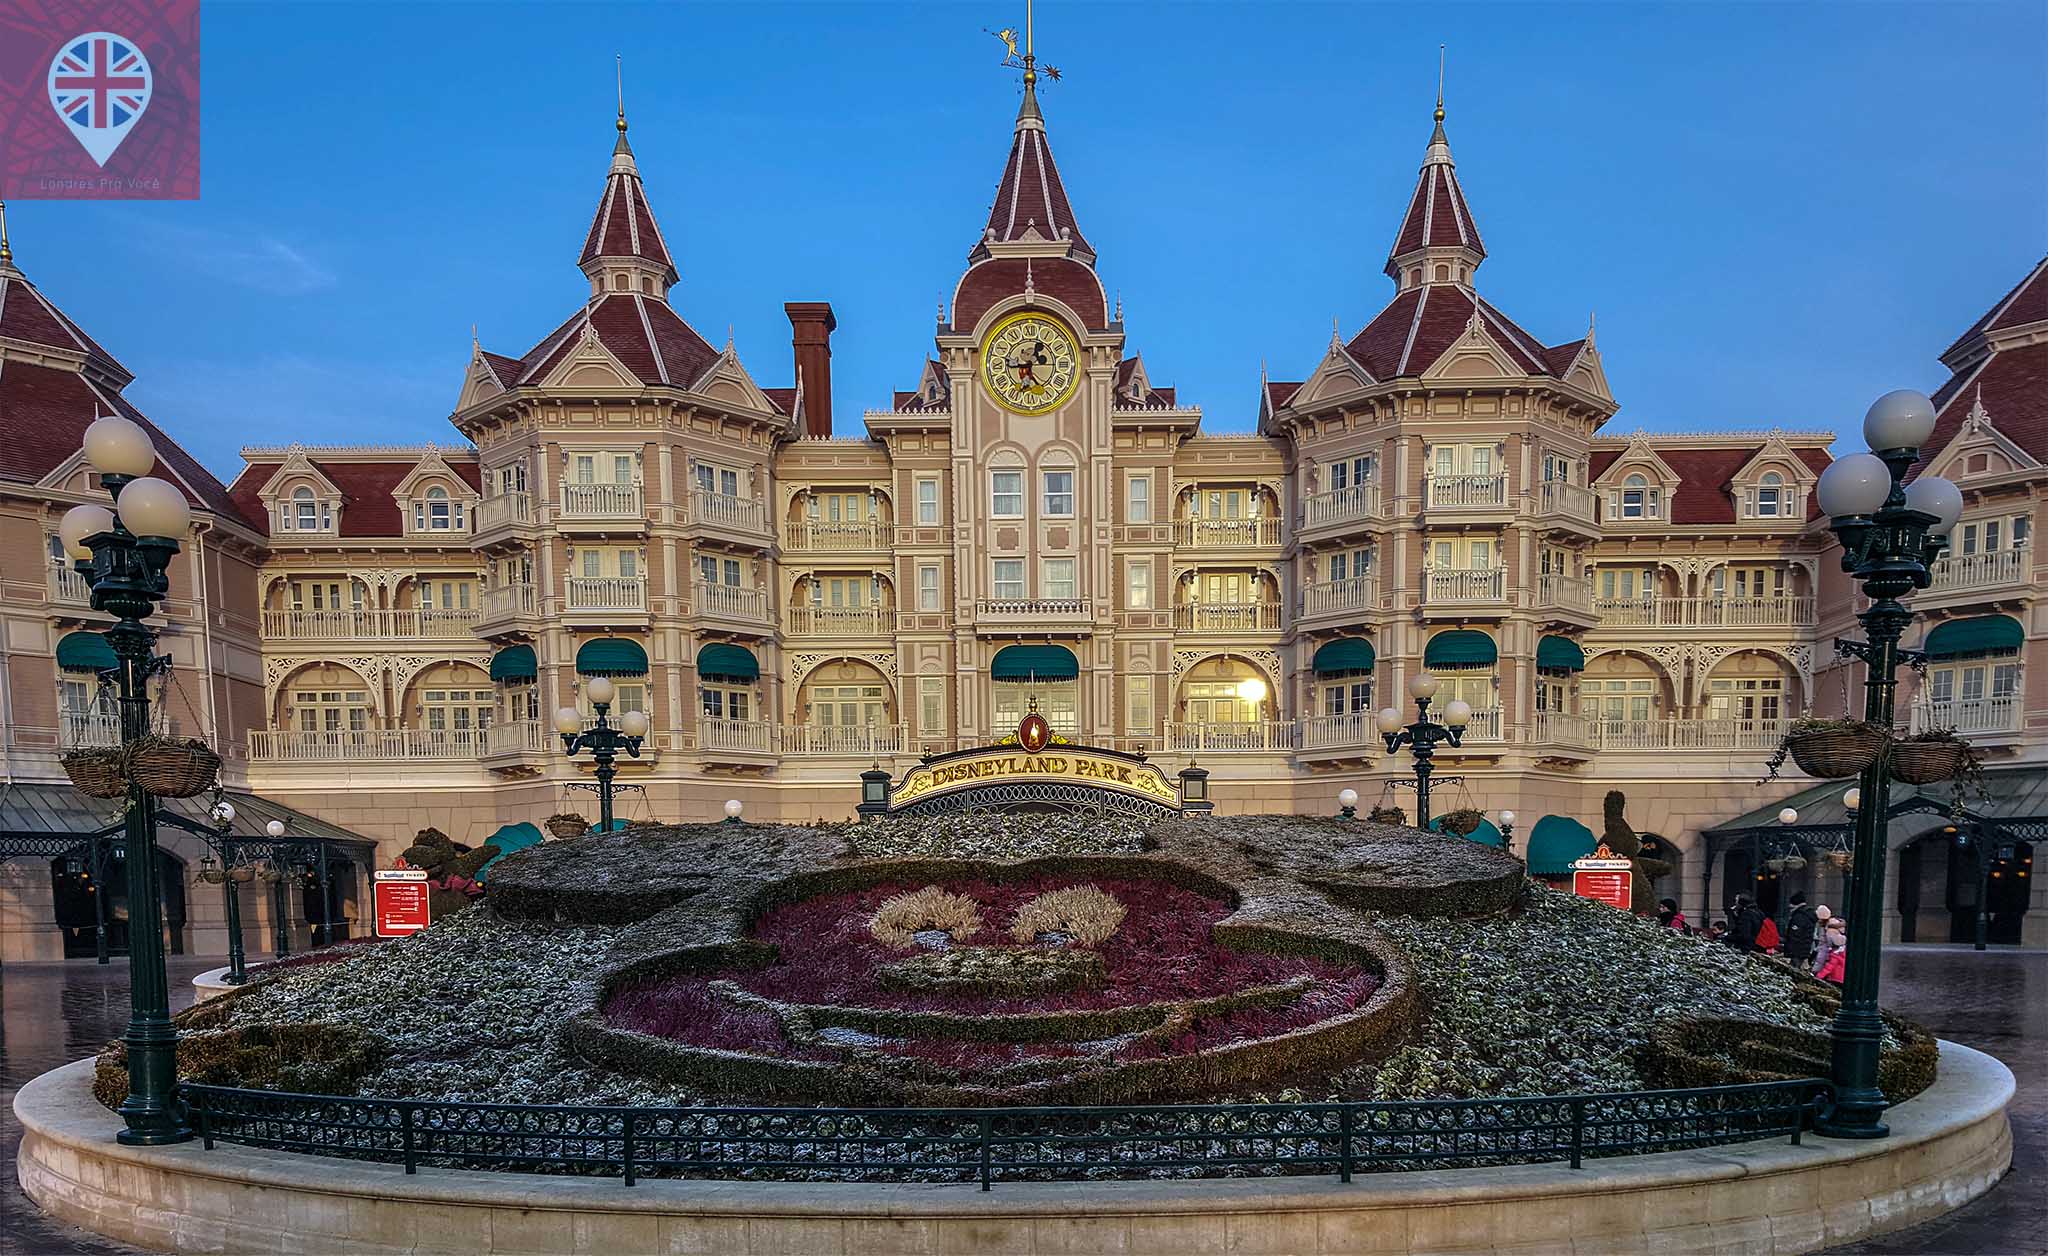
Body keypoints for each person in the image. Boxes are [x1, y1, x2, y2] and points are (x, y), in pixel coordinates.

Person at [1783, 893, 1818, 966]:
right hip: (1803, 951)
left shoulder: (1799, 916)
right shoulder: (1808, 915)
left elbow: (1794, 936)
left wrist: (1789, 952)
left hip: (1797, 952)